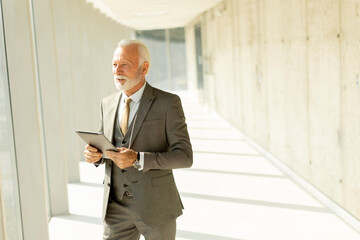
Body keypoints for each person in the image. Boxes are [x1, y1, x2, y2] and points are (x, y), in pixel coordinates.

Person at [84, 39, 193, 240]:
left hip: (157, 207)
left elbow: (185, 156)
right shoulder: (106, 104)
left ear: (144, 68)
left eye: (125, 64)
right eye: (114, 64)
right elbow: (104, 147)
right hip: (115, 208)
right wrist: (95, 156)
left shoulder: (168, 103)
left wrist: (139, 158)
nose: (118, 70)